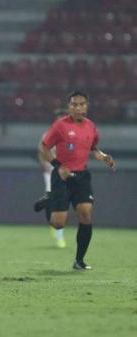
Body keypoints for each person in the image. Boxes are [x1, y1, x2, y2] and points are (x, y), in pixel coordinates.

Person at [39, 91, 117, 270]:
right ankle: (49, 201)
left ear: (87, 106)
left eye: (81, 104)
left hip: (81, 177)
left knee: (86, 214)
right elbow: (44, 147)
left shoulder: (91, 126)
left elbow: (94, 148)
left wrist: (104, 156)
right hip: (62, 177)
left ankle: (79, 261)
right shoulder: (60, 126)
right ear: (69, 107)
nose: (78, 107)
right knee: (58, 224)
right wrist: (58, 166)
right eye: (74, 104)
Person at [34, 108, 67, 248]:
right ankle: (58, 233)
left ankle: (57, 229)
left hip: (65, 174)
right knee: (55, 201)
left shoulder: (71, 136)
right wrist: (46, 165)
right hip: (51, 173)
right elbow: (41, 153)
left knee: (62, 202)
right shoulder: (48, 135)